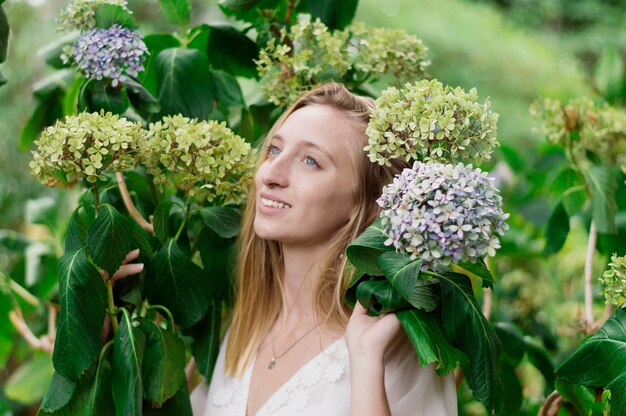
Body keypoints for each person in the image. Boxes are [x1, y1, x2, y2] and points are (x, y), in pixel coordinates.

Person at [190, 82, 457, 415]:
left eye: (310, 161)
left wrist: (365, 360)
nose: (270, 173)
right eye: (274, 150)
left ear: (368, 204)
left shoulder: (393, 351)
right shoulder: (245, 325)